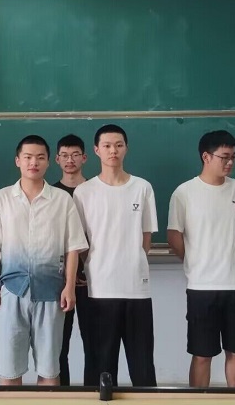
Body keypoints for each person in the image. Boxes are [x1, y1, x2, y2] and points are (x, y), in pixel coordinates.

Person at [0, 135, 88, 386]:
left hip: (51, 291)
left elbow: (72, 247)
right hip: (11, 292)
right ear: (18, 160)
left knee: (49, 371)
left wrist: (69, 286)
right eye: (27, 157)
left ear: (49, 162)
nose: (33, 163)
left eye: (40, 158)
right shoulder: (2, 199)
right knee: (8, 370)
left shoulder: (62, 200)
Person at [167, 130, 235, 387]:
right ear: (206, 157)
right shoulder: (184, 192)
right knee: (202, 354)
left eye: (233, 157)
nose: (230, 162)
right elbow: (174, 236)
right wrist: (195, 260)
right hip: (202, 287)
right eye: (224, 157)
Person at [73, 124, 157, 386]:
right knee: (100, 365)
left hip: (136, 288)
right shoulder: (84, 192)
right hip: (99, 289)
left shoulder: (142, 187)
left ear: (126, 149)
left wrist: (132, 261)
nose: (113, 151)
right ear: (96, 150)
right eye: (107, 146)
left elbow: (146, 236)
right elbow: (80, 241)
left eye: (119, 145)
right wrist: (94, 265)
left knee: (142, 365)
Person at [52, 134, 92, 386]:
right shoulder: (51, 193)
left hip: (92, 280)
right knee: (59, 345)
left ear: (84, 158)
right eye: (65, 155)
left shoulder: (97, 189)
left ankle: (94, 394)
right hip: (59, 280)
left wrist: (84, 269)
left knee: (94, 342)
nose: (70, 160)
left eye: (75, 155)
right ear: (57, 159)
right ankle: (62, 395)